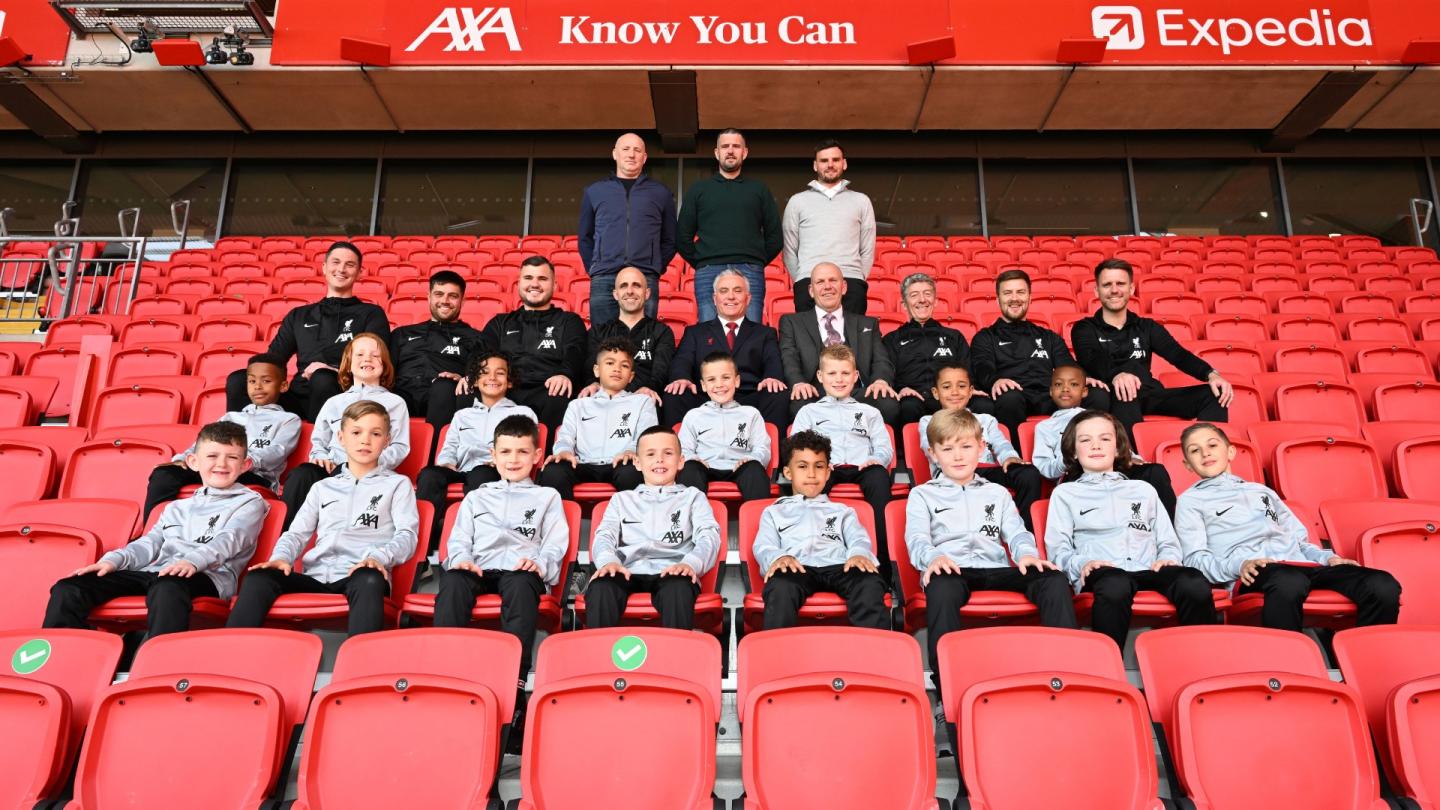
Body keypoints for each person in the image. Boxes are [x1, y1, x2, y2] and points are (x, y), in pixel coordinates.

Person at [44, 421, 269, 637]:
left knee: (167, 588)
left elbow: (230, 540)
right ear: (193, 462)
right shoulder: (176, 507)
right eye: (212, 456)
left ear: (245, 465)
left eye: (232, 458)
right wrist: (112, 561)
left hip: (206, 576)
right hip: (157, 572)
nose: (221, 464)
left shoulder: (251, 503)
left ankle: (156, 665)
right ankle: (61, 664)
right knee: (69, 588)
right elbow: (148, 543)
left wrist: (192, 561)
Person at [1175, 422, 1400, 632]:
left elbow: (1300, 542)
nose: (1205, 453)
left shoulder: (1262, 491)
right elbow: (1195, 560)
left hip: (1300, 566)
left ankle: (1365, 665)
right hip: (1254, 574)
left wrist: (1328, 559)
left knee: (1382, 584)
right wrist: (1240, 565)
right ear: (1186, 465)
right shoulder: (1190, 501)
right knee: (1289, 580)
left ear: (1231, 452)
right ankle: (1289, 665)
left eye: (1212, 445)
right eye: (1195, 450)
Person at [227, 400, 419, 637]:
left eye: (376, 433)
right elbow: (296, 534)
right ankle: (230, 658)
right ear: (341, 438)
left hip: (359, 574)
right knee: (259, 577)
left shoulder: (398, 485)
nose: (365, 440)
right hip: (316, 576)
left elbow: (407, 536)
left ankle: (360, 666)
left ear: (387, 440)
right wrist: (280, 558)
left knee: (370, 579)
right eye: (356, 432)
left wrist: (377, 557)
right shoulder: (322, 487)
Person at [906, 409, 1077, 674]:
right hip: (953, 569)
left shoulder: (997, 493)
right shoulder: (922, 494)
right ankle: (945, 687)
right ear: (933, 454)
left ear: (981, 447)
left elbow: (1017, 533)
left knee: (1052, 579)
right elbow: (917, 539)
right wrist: (934, 559)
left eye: (966, 446)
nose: (958, 456)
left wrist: (1027, 555)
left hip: (996, 568)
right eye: (948, 449)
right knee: (941, 587)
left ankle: (1066, 673)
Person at [1045, 410, 1219, 649]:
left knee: (1193, 581)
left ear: (1117, 449)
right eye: (1085, 440)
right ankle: (1107, 669)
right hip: (1103, 570)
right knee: (1115, 584)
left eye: (1105, 439)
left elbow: (1167, 539)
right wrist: (1082, 564)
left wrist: (1168, 558)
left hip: (1148, 567)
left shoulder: (1143, 489)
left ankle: (1204, 660)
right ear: (1074, 451)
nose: (1096, 445)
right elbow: (1059, 549)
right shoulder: (1065, 494)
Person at [434, 414, 568, 680]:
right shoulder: (476, 497)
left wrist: (539, 563)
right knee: (453, 582)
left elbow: (555, 541)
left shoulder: (547, 496)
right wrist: (461, 559)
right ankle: (446, 673)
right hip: (479, 568)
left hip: (521, 570)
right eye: (505, 452)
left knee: (520, 585)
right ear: (493, 455)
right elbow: (459, 538)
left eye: (522, 452)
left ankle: (514, 679)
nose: (514, 459)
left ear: (537, 455)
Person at [224, 241, 389, 421]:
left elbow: (374, 361)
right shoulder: (299, 315)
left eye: (349, 265)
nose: (341, 269)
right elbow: (274, 359)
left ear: (359, 273)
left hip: (343, 392)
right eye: (335, 262)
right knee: (238, 379)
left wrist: (331, 369)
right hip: (298, 394)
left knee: (322, 378)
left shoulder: (371, 313)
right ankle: (236, 442)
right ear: (324, 267)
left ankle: (318, 447)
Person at [1071, 259, 1232, 440]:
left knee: (1214, 393)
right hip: (1116, 395)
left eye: (1120, 284)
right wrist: (1118, 374)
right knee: (1124, 390)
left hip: (1150, 392)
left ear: (1131, 289)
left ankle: (1209, 456)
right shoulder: (1084, 327)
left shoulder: (1146, 327)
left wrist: (1211, 374)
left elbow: (1177, 354)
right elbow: (1090, 358)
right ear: (1097, 291)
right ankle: (1133, 463)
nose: (1114, 290)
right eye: (1107, 285)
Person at [584, 426, 721, 629]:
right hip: (627, 569)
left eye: (668, 453)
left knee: (678, 588)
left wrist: (690, 564)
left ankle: (676, 661)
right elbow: (605, 535)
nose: (659, 460)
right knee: (602, 586)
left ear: (681, 461)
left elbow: (709, 536)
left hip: (673, 569)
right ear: (637, 463)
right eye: (650, 454)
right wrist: (608, 561)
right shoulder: (621, 499)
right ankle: (599, 660)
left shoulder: (693, 497)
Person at [752, 430, 888, 630]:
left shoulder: (843, 510)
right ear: (788, 473)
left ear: (828, 472)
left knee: (869, 583)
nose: (811, 474)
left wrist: (858, 554)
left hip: (839, 565)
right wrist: (778, 558)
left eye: (819, 466)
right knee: (781, 586)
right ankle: (778, 656)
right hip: (797, 566)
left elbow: (858, 539)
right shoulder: (774, 511)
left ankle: (876, 656)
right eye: (802, 466)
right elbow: (764, 545)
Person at [144, 354, 300, 520]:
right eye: (252, 381)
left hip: (254, 474)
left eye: (266, 381)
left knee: (221, 474)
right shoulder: (231, 417)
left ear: (283, 386)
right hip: (219, 465)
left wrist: (243, 460)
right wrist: (183, 458)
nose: (258, 387)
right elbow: (204, 442)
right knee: (164, 474)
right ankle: (153, 530)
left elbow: (278, 451)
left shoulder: (288, 419)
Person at [279, 333, 410, 529]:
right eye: (359, 355)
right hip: (332, 467)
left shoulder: (395, 403)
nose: (367, 359)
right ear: (348, 364)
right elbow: (319, 441)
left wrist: (368, 463)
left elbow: (400, 446)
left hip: (368, 469)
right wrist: (320, 457)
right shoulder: (334, 402)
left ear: (384, 365)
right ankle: (284, 538)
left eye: (375, 355)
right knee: (302, 474)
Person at [415, 350, 537, 551]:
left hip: (493, 470)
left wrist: (500, 462)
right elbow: (449, 448)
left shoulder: (521, 413)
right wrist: (446, 463)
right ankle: (422, 550)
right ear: (474, 381)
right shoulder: (462, 415)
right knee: (429, 475)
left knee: (482, 474)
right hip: (460, 470)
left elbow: (525, 449)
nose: (492, 378)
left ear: (510, 381)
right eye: (484, 372)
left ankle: (475, 545)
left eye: (500, 373)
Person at [969, 269, 1107, 443]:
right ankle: (1015, 458)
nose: (1014, 298)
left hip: (1048, 395)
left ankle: (1083, 454)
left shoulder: (1047, 336)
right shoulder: (985, 337)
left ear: (1029, 297)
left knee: (1096, 394)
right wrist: (996, 380)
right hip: (1013, 396)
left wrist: (1082, 378)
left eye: (1020, 292)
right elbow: (983, 367)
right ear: (998, 300)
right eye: (1007, 293)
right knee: (1009, 397)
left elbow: (1067, 365)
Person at [790, 344, 894, 570]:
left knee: (879, 477)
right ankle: (813, 558)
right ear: (820, 376)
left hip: (863, 467)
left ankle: (883, 567)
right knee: (810, 482)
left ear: (856, 376)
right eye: (832, 373)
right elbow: (797, 449)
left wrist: (877, 460)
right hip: (827, 468)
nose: (839, 379)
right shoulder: (808, 412)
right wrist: (821, 465)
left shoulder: (870, 412)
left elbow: (884, 447)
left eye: (845, 373)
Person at [914, 361, 1043, 532]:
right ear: (936, 393)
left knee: (1028, 474)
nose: (954, 392)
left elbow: (1001, 444)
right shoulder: (928, 421)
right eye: (946, 387)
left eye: (961, 386)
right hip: (953, 471)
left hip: (986, 470)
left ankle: (1026, 532)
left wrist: (1009, 457)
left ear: (970, 391)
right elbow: (929, 447)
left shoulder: (985, 420)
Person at [1033, 364, 1178, 515]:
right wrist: (1068, 458)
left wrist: (1132, 457)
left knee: (1155, 471)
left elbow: (1118, 443)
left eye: (1074, 384)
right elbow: (1044, 468)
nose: (1065, 389)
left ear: (1084, 392)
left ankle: (1170, 529)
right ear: (1050, 391)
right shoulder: (1045, 427)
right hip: (1078, 474)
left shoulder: (1100, 417)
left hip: (1111, 470)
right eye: (1058, 384)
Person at [678, 128, 782, 323]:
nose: (731, 151)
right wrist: (703, 261)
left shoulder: (759, 190)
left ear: (745, 152)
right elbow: (682, 236)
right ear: (717, 153)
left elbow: (775, 237)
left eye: (736, 146)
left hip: (750, 271)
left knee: (750, 335)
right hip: (708, 271)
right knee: (710, 335)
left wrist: (755, 260)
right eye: (725, 146)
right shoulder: (699, 189)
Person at [664, 268, 788, 427]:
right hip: (706, 396)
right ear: (715, 299)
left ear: (748, 298)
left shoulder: (764, 333)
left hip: (748, 396)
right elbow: (682, 360)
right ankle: (676, 450)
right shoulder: (695, 332)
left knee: (777, 394)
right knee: (675, 394)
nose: (731, 296)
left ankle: (772, 451)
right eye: (724, 291)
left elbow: (773, 361)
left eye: (738, 291)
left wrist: (772, 377)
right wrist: (681, 378)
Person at [480, 256, 587, 437]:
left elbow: (575, 351)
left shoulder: (569, 321)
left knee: (560, 394)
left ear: (554, 285)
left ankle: (550, 461)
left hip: (548, 388)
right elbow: (482, 354)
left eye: (542, 279)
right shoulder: (499, 323)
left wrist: (564, 374)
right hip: (507, 388)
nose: (534, 284)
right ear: (519, 284)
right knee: (468, 391)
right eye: (528, 278)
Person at [537, 338, 656, 500]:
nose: (617, 369)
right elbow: (565, 436)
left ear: (631, 376)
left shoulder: (642, 402)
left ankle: (630, 524)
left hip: (621, 462)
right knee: (553, 471)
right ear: (596, 370)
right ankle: (561, 523)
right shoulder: (578, 405)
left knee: (633, 472)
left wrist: (631, 451)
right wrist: (563, 451)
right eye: (610, 363)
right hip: (582, 463)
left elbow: (646, 437)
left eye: (625, 365)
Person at [778, 262, 898, 421]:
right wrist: (798, 383)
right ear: (811, 291)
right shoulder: (791, 322)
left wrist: (880, 381)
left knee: (888, 404)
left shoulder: (868, 324)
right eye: (820, 282)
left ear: (844, 287)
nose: (827, 286)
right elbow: (789, 357)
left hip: (856, 391)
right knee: (799, 406)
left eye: (833, 280)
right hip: (814, 391)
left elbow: (880, 359)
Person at [578, 132, 677, 325]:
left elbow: (670, 239)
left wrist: (654, 266)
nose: (631, 154)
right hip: (604, 278)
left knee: (642, 341)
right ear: (615, 154)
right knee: (602, 340)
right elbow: (585, 237)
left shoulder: (661, 193)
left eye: (637, 150)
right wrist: (596, 268)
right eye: (626, 149)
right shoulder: (594, 191)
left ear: (644, 157)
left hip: (645, 277)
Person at [782, 139, 875, 314]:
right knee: (809, 341)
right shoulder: (797, 201)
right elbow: (789, 249)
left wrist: (857, 276)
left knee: (852, 342)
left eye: (835, 160)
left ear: (844, 163)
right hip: (808, 281)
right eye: (824, 161)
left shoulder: (861, 201)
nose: (830, 165)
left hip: (851, 280)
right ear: (815, 165)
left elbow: (868, 248)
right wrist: (804, 278)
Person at [883, 272, 981, 427]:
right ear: (904, 304)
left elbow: (967, 370)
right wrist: (901, 389)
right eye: (914, 295)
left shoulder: (954, 337)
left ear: (935, 301)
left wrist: (967, 388)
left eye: (927, 294)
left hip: (950, 396)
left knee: (983, 404)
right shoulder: (891, 339)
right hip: (913, 398)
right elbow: (887, 372)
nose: (922, 300)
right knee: (908, 407)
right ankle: (908, 451)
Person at [388, 270, 484, 428]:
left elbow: (472, 377)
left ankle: (437, 451)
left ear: (463, 300)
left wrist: (461, 377)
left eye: (452, 296)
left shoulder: (474, 338)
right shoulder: (402, 333)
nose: (445, 301)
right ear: (429, 297)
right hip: (402, 394)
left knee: (443, 386)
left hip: (444, 395)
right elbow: (385, 372)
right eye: (439, 294)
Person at [676, 351, 774, 503]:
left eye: (726, 378)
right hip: (704, 466)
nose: (719, 385)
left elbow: (763, 448)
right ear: (703, 385)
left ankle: (760, 522)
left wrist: (751, 459)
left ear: (737, 381)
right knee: (689, 469)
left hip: (740, 466)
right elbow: (683, 450)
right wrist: (694, 459)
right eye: (711, 379)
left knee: (754, 469)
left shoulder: (751, 414)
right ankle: (690, 523)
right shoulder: (694, 415)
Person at [579, 265, 674, 404]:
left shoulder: (661, 331)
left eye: (636, 285)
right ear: (615, 294)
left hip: (643, 400)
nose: (630, 291)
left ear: (647, 293)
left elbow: (660, 372)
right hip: (603, 399)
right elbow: (589, 368)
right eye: (624, 286)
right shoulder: (598, 332)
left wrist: (649, 388)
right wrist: (593, 384)